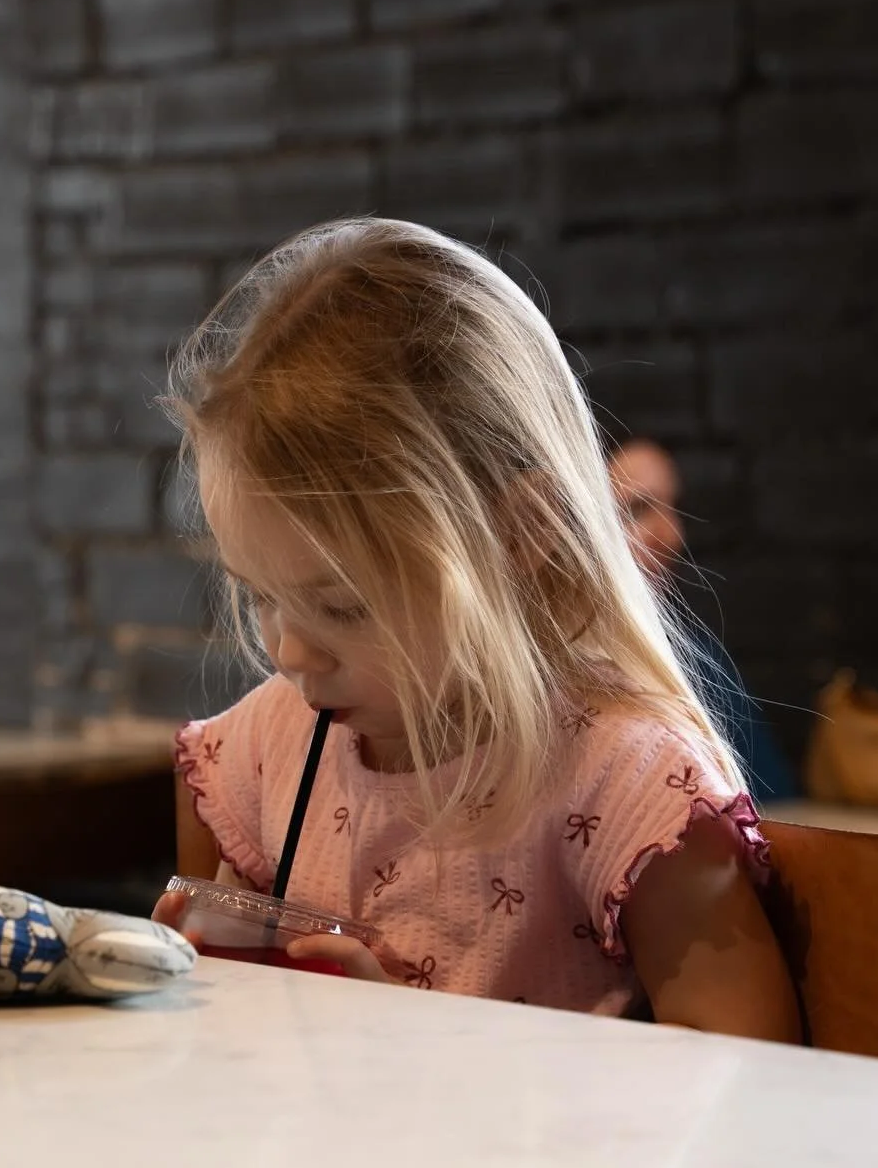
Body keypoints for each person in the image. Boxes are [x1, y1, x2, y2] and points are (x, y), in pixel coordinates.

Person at [153, 219, 799, 1041]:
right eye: (261, 595)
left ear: (523, 536)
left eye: (343, 606)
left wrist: (418, 1049)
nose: (288, 651)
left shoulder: (628, 786)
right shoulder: (257, 760)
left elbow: (749, 1087)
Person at [608, 438, 797, 803]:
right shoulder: (557, 662)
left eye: (672, 508)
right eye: (637, 510)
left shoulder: (698, 656)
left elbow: (774, 795)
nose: (671, 536)